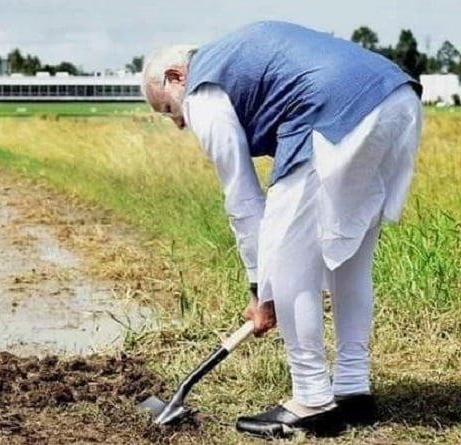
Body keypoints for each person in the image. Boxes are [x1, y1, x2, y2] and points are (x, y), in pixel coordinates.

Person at [143, 21, 423, 439]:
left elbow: (242, 198)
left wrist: (262, 288)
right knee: (349, 258)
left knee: (287, 257)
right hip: (397, 98)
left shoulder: (202, 89)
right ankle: (352, 388)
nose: (178, 124)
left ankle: (311, 399)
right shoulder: (235, 58)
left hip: (330, 110)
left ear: (175, 77)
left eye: (167, 109)